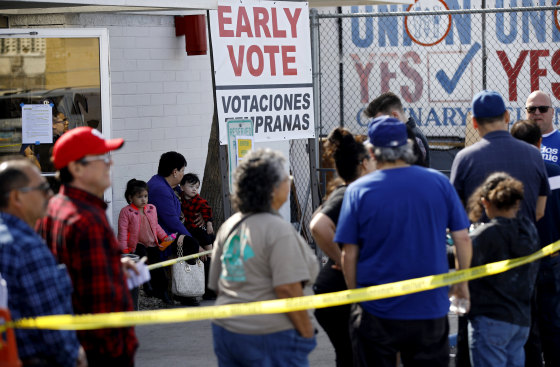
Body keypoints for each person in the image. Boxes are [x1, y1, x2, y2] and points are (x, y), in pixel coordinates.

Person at [335, 116, 472, 366]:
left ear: (371, 151)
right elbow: (462, 237)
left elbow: (349, 254)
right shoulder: (438, 182)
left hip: (376, 311)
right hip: (429, 309)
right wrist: (461, 283)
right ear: (407, 146)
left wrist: (357, 298)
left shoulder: (358, 191)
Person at [451, 90, 550, 367]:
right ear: (507, 117)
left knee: (475, 345)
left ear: (474, 123)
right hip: (525, 263)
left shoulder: (465, 158)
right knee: (526, 341)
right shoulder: (533, 154)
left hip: (480, 267)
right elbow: (540, 211)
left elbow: (456, 217)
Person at [36, 127, 138, 366]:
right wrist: (117, 353)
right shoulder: (86, 220)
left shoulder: (54, 208)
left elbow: (72, 270)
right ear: (76, 168)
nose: (109, 163)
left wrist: (110, 263)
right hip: (100, 352)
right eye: (102, 158)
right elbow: (100, 306)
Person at [209, 149, 319, 366]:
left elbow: (218, 284)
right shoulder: (278, 230)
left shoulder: (230, 226)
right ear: (273, 188)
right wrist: (307, 332)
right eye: (287, 177)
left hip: (227, 331)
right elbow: (287, 288)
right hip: (271, 337)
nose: (290, 181)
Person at [0, 159, 87, 367]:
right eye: (42, 188)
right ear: (16, 197)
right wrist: (74, 355)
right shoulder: (25, 246)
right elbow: (52, 324)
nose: (50, 194)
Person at [309, 127, 375, 367]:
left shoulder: (343, 192)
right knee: (354, 355)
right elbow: (317, 225)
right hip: (336, 292)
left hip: (332, 293)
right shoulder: (349, 192)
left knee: (351, 355)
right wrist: (341, 259)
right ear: (363, 164)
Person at [466, 172, 539, 367]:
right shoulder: (529, 230)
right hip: (521, 320)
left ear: (485, 202)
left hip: (490, 319)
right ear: (516, 202)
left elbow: (460, 256)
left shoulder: (486, 235)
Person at [511, 119, 560, 366]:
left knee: (525, 323)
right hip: (551, 256)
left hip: (518, 260)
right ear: (540, 142)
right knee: (552, 320)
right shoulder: (553, 170)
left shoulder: (506, 176)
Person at [147, 151, 203, 305]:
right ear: (175, 172)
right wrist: (195, 244)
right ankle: (185, 292)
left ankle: (206, 288)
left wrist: (203, 217)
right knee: (191, 244)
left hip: (171, 232)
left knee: (205, 237)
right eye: (183, 170)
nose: (183, 174)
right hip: (163, 238)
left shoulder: (168, 185)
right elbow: (172, 222)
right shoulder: (159, 189)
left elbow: (192, 201)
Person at [364, 91, 430, 167]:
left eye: (382, 121)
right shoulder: (409, 135)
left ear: (395, 115)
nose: (379, 126)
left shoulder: (414, 137)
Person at [179, 173, 216, 300]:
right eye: (191, 186)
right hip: (190, 231)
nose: (194, 189)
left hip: (199, 230)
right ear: (182, 187)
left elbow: (207, 211)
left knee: (205, 235)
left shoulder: (199, 200)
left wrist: (209, 223)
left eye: (197, 187)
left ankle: (210, 252)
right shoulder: (180, 199)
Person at [118, 178, 174, 254]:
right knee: (142, 262)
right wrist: (124, 249)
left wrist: (164, 237)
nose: (143, 200)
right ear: (130, 197)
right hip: (136, 246)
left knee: (156, 263)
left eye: (145, 196)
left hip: (152, 243)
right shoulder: (126, 211)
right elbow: (123, 232)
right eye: (139, 197)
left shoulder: (152, 208)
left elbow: (156, 225)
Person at [525, 90, 559, 166]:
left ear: (552, 112)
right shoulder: (518, 141)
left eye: (543, 109)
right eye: (531, 109)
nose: (537, 113)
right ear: (526, 112)